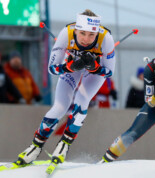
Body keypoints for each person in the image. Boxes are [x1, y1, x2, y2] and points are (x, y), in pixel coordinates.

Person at [15, 9, 115, 166]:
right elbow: (51, 68)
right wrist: (68, 67)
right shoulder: (66, 33)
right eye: (82, 33)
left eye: (91, 35)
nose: (86, 39)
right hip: (72, 67)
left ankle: (64, 145)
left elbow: (109, 72)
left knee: (82, 99)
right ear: (76, 29)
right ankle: (35, 147)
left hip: (94, 71)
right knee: (60, 107)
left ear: (97, 33)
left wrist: (95, 67)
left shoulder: (106, 38)